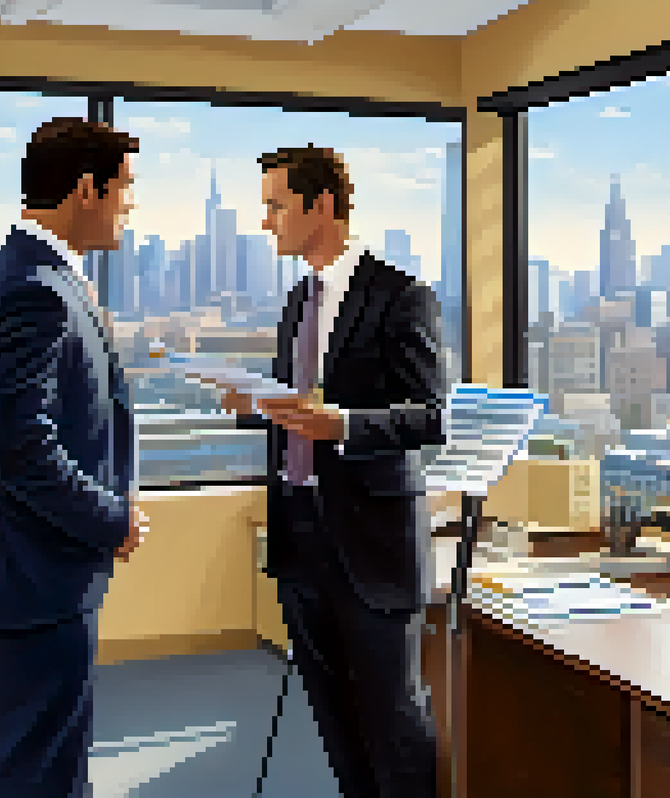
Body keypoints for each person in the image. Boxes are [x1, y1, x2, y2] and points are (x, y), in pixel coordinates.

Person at [225, 145, 444, 798]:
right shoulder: (300, 300)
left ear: (321, 205)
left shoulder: (402, 297)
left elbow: (431, 416)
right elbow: (299, 408)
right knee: (335, 720)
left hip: (372, 544)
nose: (266, 221)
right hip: (300, 538)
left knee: (393, 723)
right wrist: (258, 407)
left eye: (276, 205)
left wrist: (344, 424)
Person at [0, 117, 149, 798]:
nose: (131, 205)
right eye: (126, 187)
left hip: (37, 574)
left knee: (50, 766)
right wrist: (111, 520)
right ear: (87, 189)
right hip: (35, 577)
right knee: (34, 772)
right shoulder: (32, 288)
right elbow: (24, 450)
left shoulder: (33, 276)